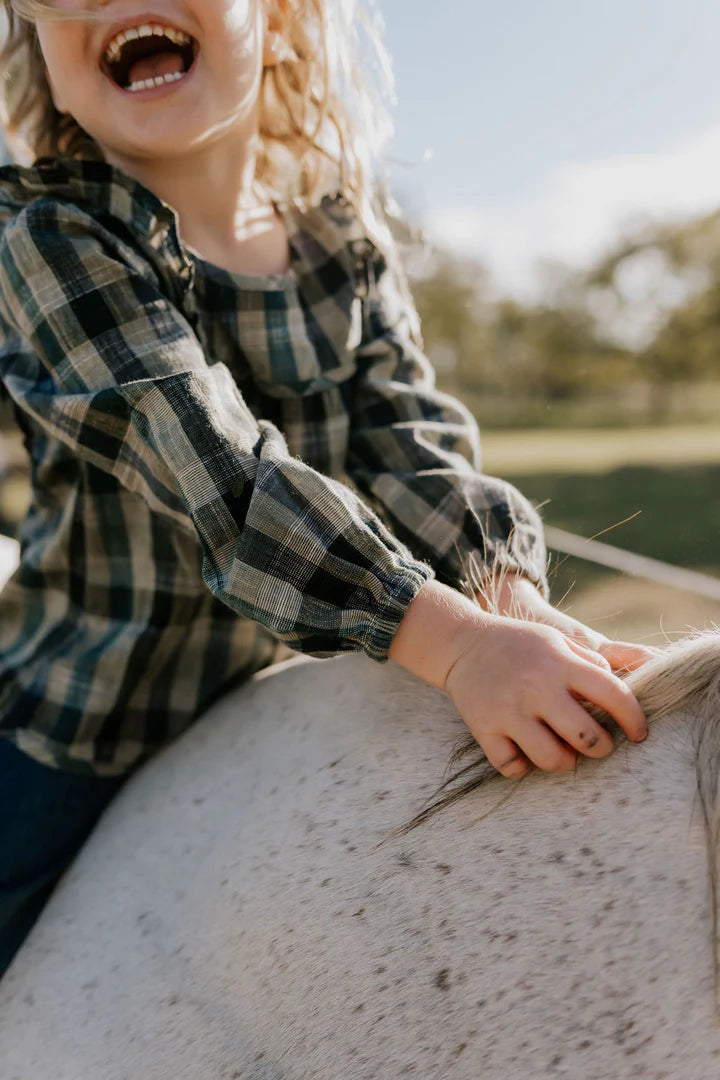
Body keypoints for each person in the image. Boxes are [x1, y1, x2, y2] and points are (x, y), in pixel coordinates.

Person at [0, 0, 652, 977]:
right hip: (92, 718)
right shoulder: (52, 237)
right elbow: (220, 475)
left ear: (279, 18)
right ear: (40, 53)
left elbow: (412, 441)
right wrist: (457, 645)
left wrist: (504, 597)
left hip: (289, 691)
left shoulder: (338, 242)